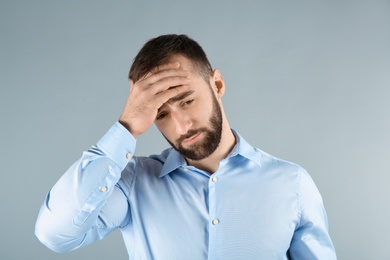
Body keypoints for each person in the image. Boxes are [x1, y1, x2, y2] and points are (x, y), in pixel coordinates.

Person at [35, 34, 336, 259]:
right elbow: (56, 234)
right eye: (161, 114)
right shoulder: (133, 184)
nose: (181, 126)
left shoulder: (292, 183)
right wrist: (126, 127)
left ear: (217, 85)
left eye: (188, 101)